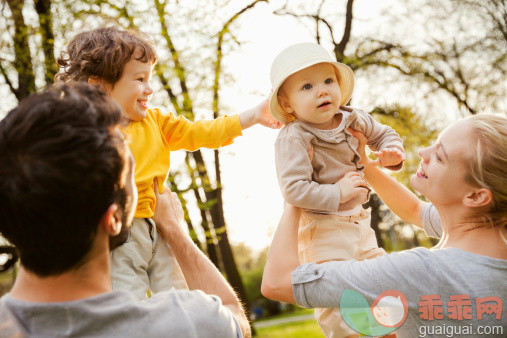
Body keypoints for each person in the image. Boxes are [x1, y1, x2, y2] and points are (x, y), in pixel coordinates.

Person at [0, 83, 250, 337]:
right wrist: (175, 230)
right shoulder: (184, 322)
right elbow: (235, 317)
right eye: (132, 173)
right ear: (114, 219)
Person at [56, 26, 282, 300]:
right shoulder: (86, 132)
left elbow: (200, 132)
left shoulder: (157, 121)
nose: (149, 89)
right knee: (128, 303)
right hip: (119, 237)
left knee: (182, 299)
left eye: (149, 79)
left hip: (162, 227)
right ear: (101, 87)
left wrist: (255, 115)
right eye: (140, 79)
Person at [262, 114, 507, 337]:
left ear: (476, 196)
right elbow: (415, 211)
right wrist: (365, 166)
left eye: (440, 156)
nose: (423, 151)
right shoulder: (490, 233)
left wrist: (296, 195)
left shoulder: (422, 273)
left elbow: (277, 283)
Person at [268, 42, 405, 337]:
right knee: (341, 302)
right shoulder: (294, 137)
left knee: (385, 287)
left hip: (359, 221)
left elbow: (384, 134)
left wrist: (392, 152)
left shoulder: (353, 118)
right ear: (287, 103)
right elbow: (293, 190)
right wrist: (338, 192)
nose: (322, 91)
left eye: (329, 81)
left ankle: (391, 332)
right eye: (307, 86)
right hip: (323, 229)